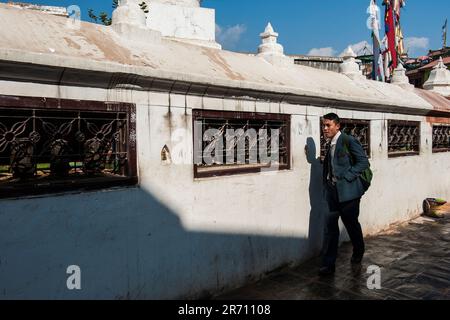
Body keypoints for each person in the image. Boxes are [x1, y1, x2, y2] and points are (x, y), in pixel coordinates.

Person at [319, 113, 370, 276]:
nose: (325, 129)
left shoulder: (348, 140)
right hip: (332, 192)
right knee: (330, 229)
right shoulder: (330, 144)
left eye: (328, 125)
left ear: (337, 126)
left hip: (349, 193)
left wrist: (347, 177)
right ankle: (328, 264)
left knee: (351, 225)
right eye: (324, 125)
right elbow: (336, 162)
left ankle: (359, 250)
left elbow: (363, 162)